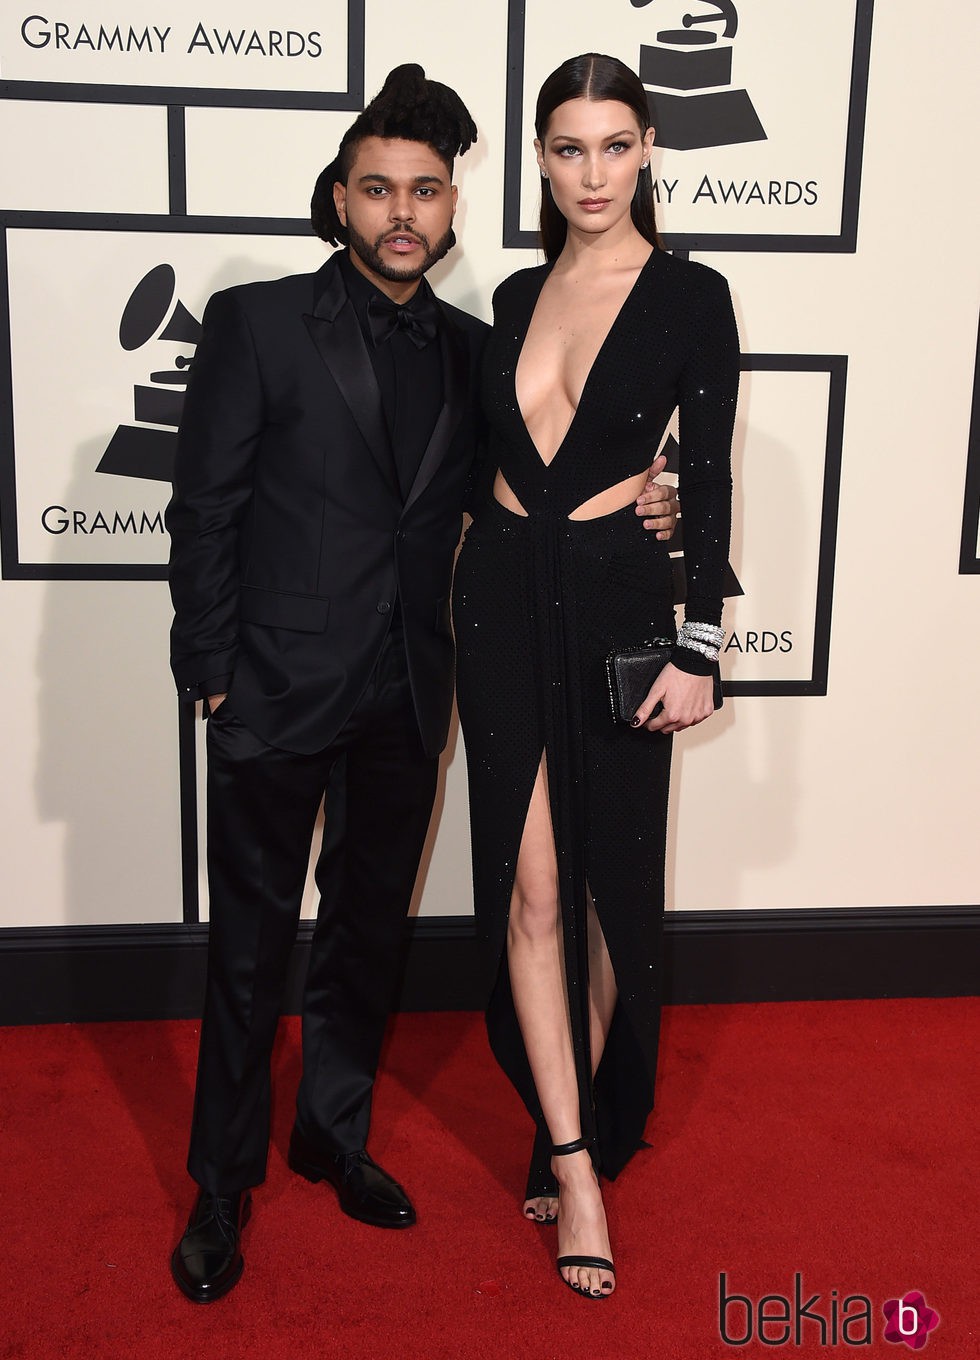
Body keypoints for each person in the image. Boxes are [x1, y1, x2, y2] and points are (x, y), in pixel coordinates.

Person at [166, 63, 677, 1303]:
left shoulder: (474, 348)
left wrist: (653, 505)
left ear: (453, 208)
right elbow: (205, 513)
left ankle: (331, 1133)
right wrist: (213, 676)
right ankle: (222, 1182)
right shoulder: (256, 322)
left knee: (363, 937)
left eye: (428, 191)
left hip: (408, 695)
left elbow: (532, 499)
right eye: (380, 188)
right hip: (273, 691)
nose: (404, 211)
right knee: (245, 952)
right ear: (339, 198)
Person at [452, 52, 739, 1300]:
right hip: (503, 600)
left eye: (613, 146)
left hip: (620, 601)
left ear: (645, 152)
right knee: (528, 893)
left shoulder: (689, 294)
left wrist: (701, 638)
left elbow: (709, 475)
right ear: (538, 157)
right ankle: (572, 1162)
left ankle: (594, 1102)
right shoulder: (511, 295)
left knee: (615, 896)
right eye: (566, 149)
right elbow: (480, 464)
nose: (590, 173)